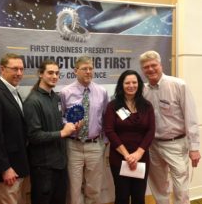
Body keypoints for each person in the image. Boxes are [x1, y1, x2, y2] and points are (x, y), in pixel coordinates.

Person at [139, 50, 201, 204]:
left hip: (176, 144)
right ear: (142, 70)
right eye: (146, 67)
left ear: (161, 65)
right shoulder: (143, 90)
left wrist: (194, 147)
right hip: (152, 145)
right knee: (159, 187)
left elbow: (191, 117)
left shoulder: (178, 85)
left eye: (154, 65)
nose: (151, 69)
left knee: (181, 187)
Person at [23, 59, 78, 204]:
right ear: (40, 74)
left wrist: (71, 126)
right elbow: (34, 136)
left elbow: (59, 125)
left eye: (57, 73)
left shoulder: (56, 97)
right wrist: (62, 133)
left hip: (60, 164)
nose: (54, 76)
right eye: (50, 72)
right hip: (43, 168)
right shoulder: (32, 101)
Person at [0, 53, 30, 204]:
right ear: (2, 69)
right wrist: (5, 168)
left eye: (21, 69)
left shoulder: (13, 92)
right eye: (14, 69)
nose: (19, 73)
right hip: (5, 173)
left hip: (18, 168)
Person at [60, 56, 109, 204]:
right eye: (84, 69)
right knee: (74, 189)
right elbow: (60, 117)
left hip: (95, 145)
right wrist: (69, 124)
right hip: (73, 145)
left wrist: (105, 141)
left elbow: (106, 117)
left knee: (94, 188)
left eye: (91, 68)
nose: (88, 72)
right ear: (75, 71)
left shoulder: (102, 91)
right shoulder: (65, 92)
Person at [103, 70, 155, 204]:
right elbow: (109, 131)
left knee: (139, 197)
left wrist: (138, 153)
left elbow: (151, 130)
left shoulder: (147, 106)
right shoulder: (113, 106)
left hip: (141, 157)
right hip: (119, 157)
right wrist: (127, 155)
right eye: (127, 82)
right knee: (122, 196)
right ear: (121, 85)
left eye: (134, 82)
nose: (131, 85)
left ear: (139, 84)